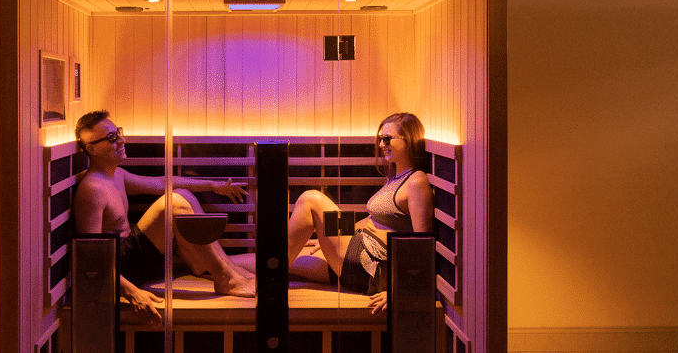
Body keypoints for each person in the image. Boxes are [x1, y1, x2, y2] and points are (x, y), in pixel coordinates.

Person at [239, 112, 434, 315]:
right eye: (380, 139)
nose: (382, 144)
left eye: (388, 138)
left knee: (310, 199)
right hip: (357, 250)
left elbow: (422, 246)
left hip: (374, 267)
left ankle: (266, 284)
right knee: (283, 259)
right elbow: (373, 220)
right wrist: (328, 236)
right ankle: (215, 268)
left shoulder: (416, 182)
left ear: (409, 140)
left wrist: (398, 291)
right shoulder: (395, 177)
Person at [72, 110, 255, 325]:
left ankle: (227, 271)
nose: (122, 140)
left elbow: (162, 182)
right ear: (92, 148)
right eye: (112, 138)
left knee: (183, 195)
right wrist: (132, 292)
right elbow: (89, 257)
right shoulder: (92, 189)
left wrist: (214, 185)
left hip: (134, 261)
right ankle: (227, 278)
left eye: (118, 132)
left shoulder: (115, 175)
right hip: (118, 269)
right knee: (175, 203)